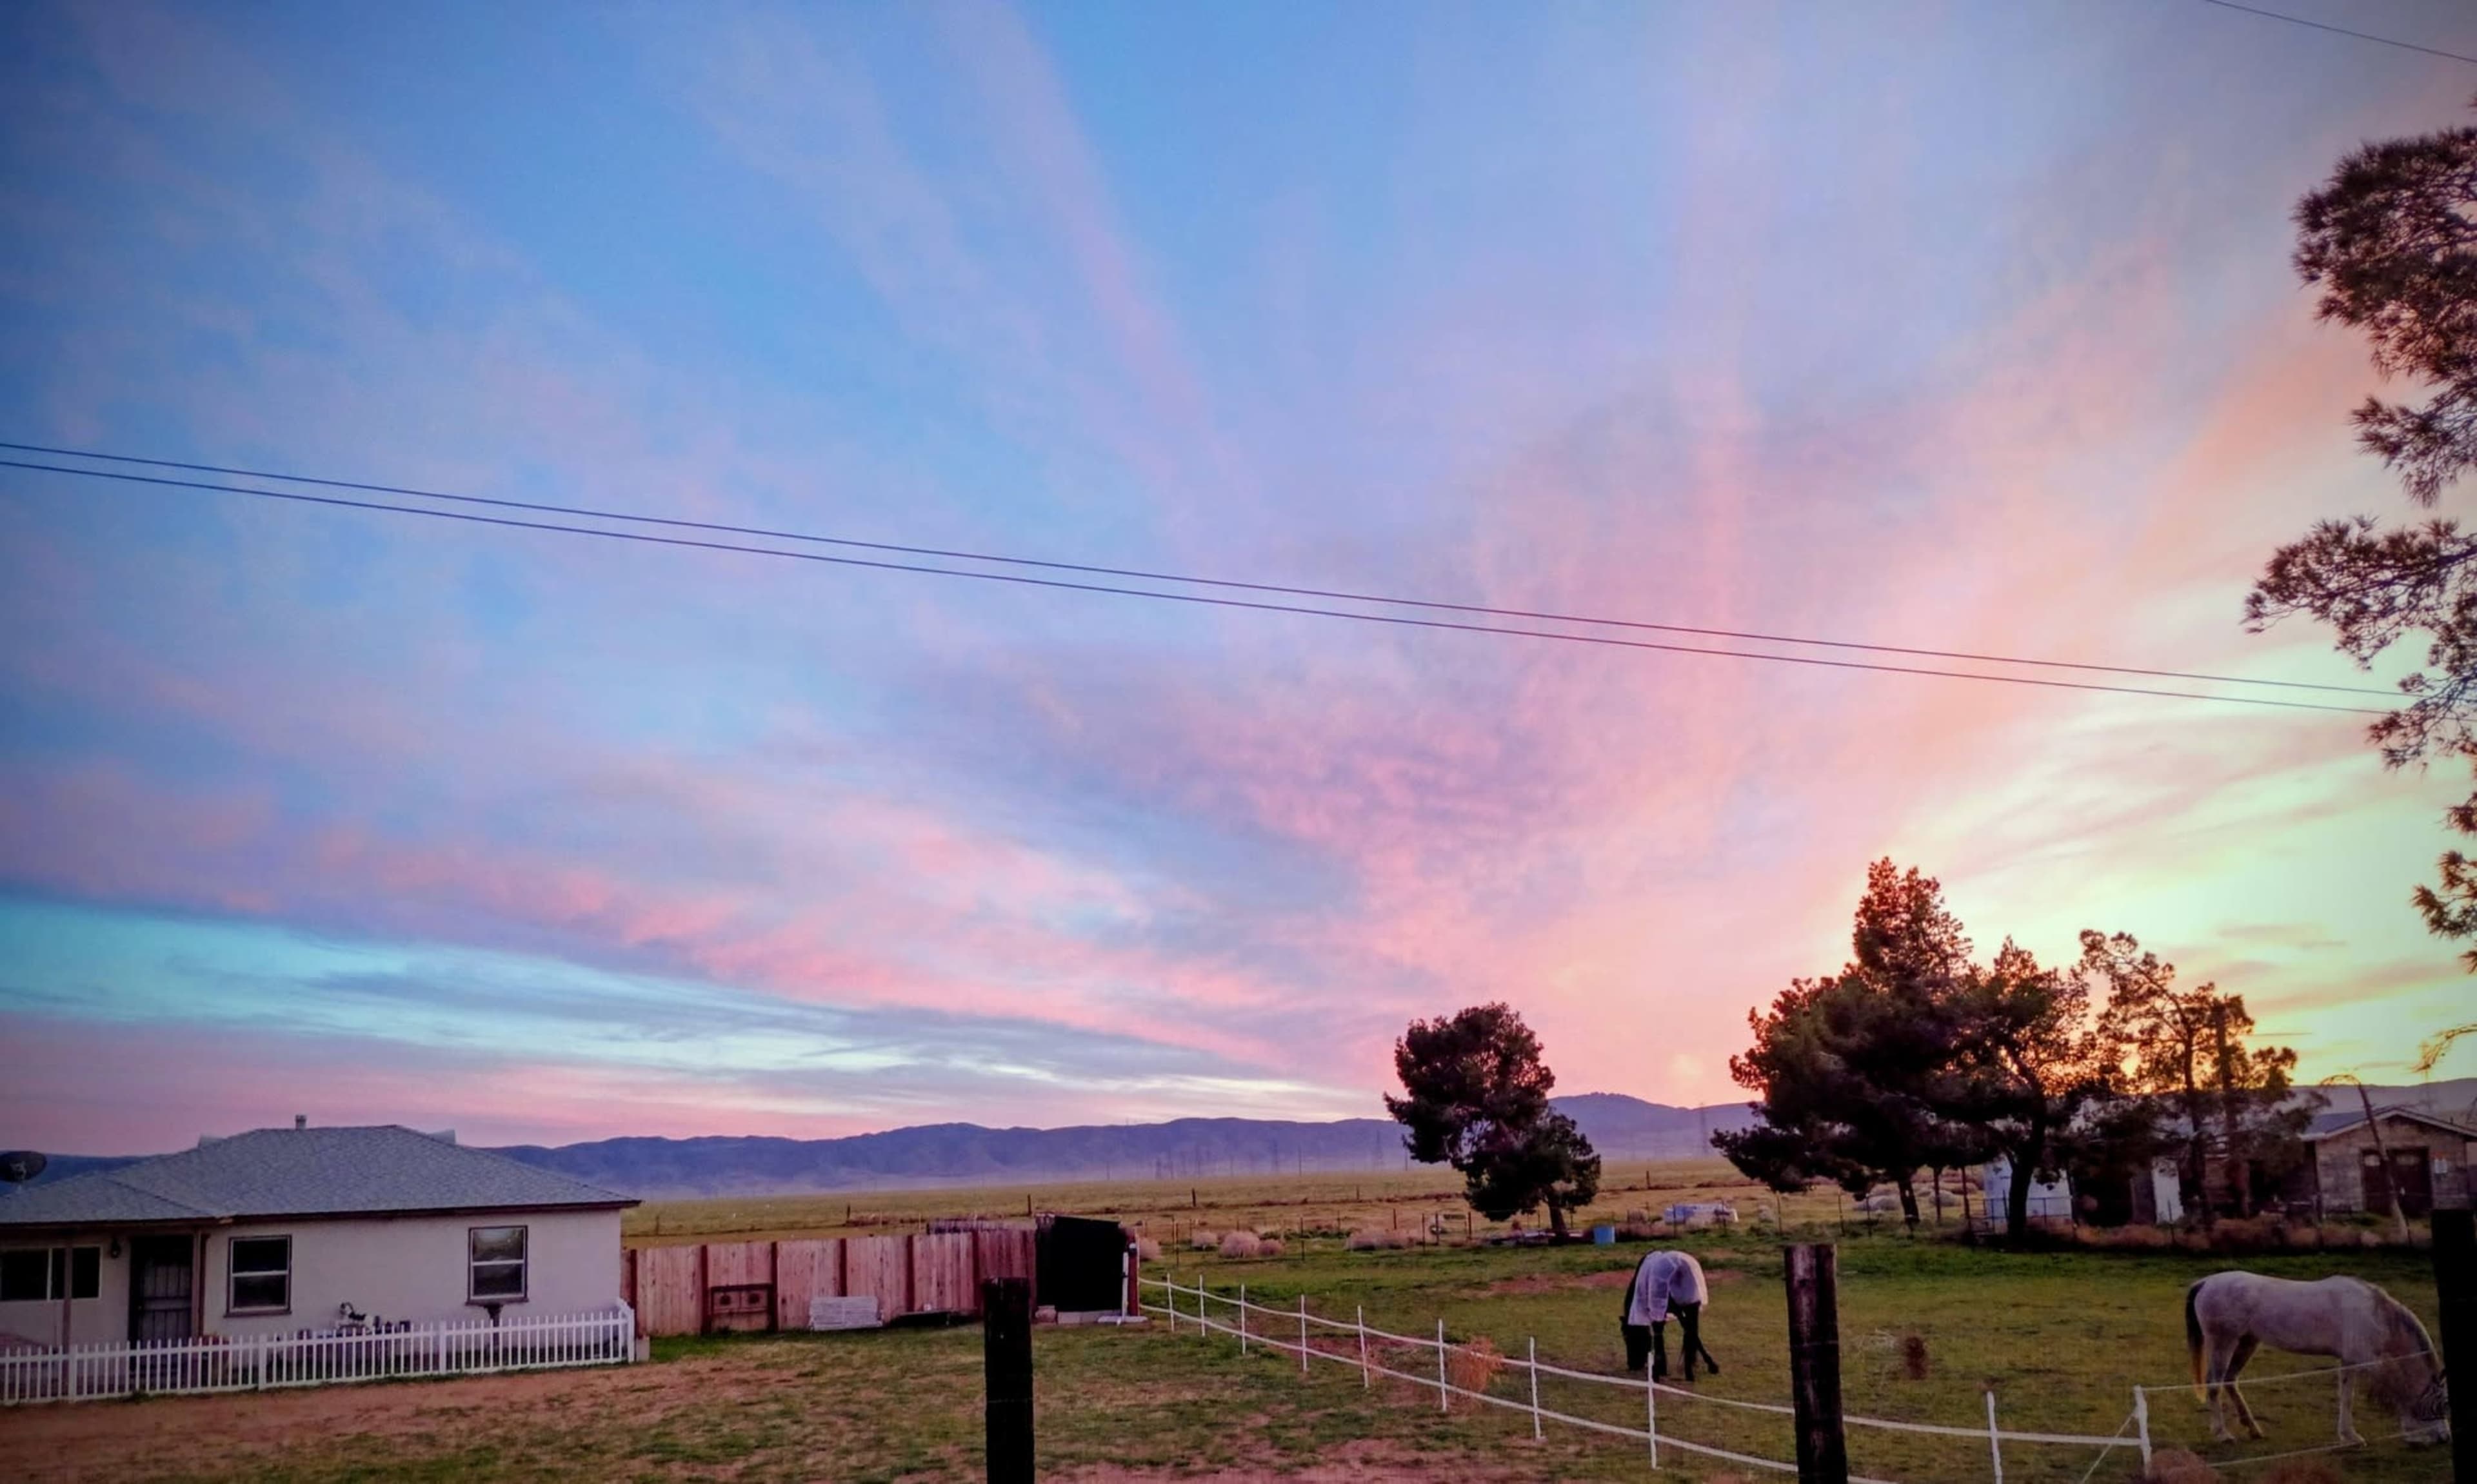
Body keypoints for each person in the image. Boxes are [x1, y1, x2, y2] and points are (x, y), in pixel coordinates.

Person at [1620, 1249, 1719, 1380]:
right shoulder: (1660, 1262)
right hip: (1690, 1265)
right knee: (1690, 1327)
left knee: (1658, 1327)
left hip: (1664, 1273)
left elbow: (1652, 1306)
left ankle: (1660, 1367)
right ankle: (1694, 1369)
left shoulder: (1648, 1272)